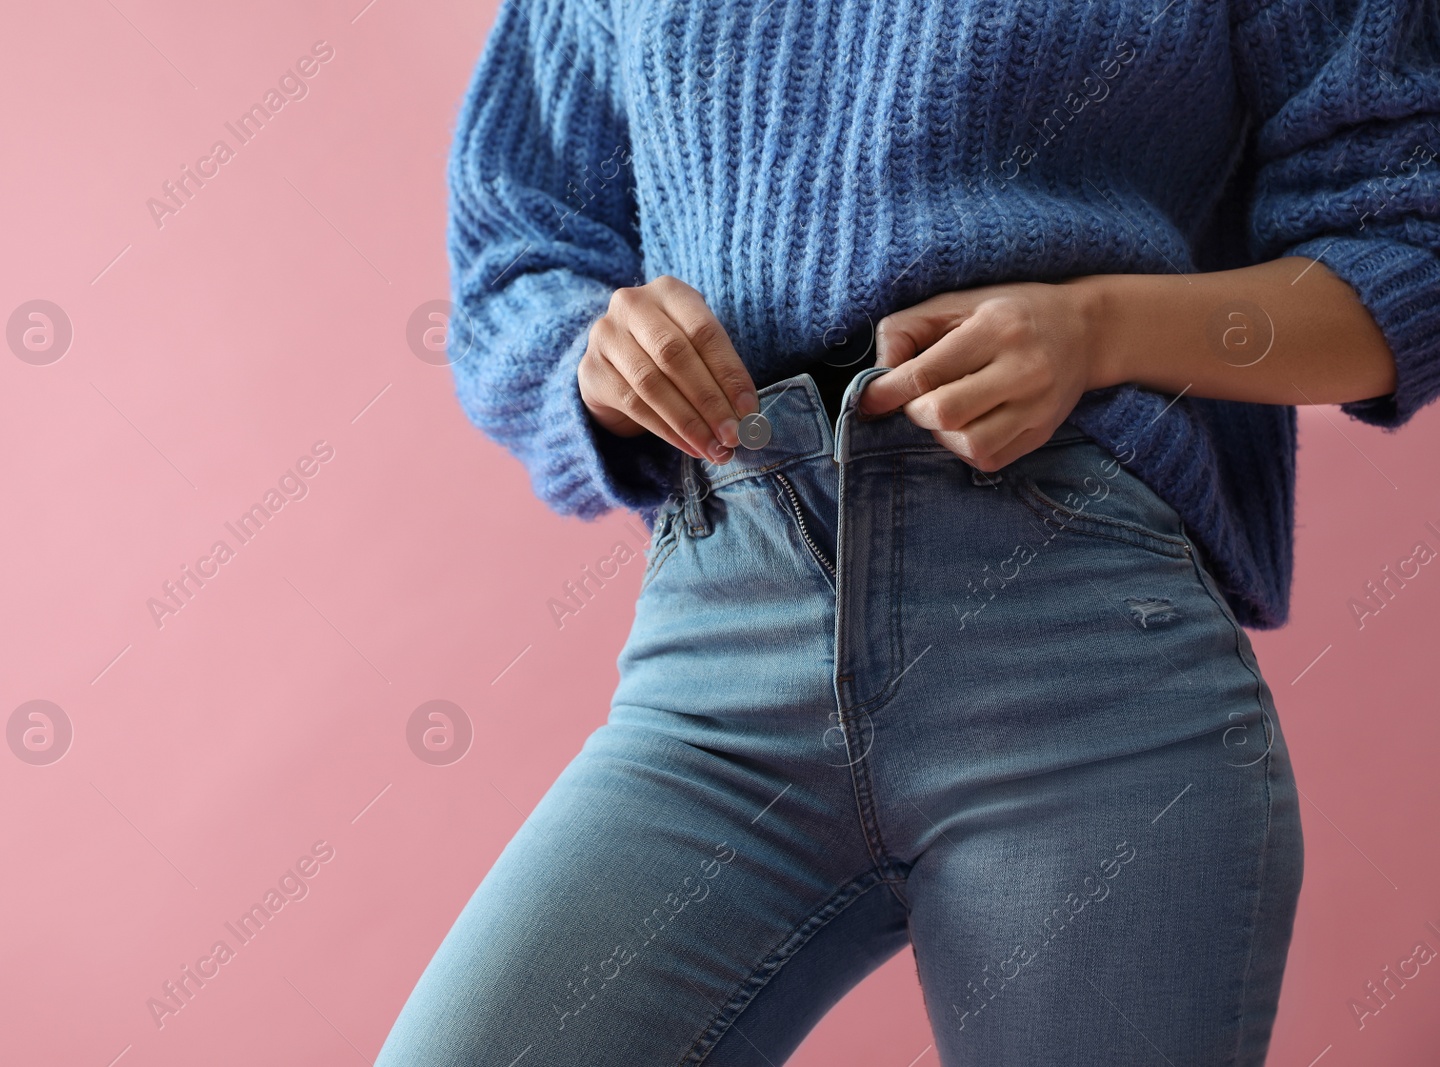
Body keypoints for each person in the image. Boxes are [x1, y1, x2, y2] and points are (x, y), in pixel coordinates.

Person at [377, 1, 1439, 1064]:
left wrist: (1097, 327)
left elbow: (1407, 237)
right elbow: (514, 249)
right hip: (721, 655)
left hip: (1082, 658)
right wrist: (592, 355)